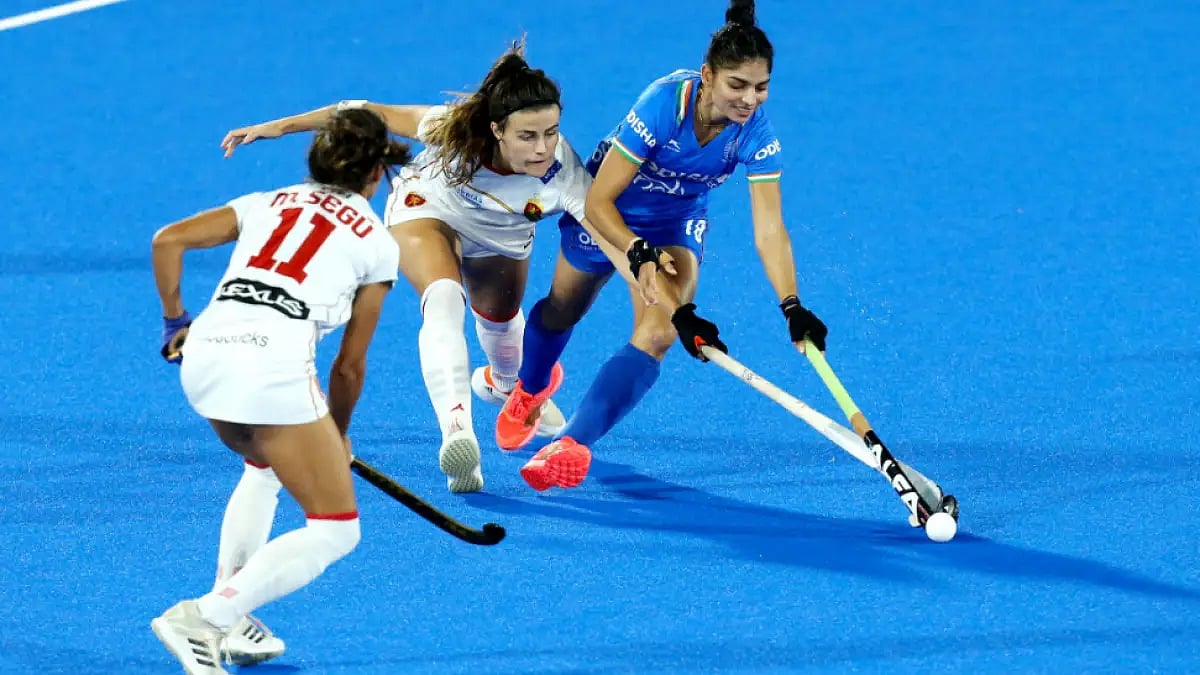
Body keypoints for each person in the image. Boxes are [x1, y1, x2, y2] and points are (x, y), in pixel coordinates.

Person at [221, 42, 589, 494]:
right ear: (496, 129)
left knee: (501, 323)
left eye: (551, 132)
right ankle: (458, 432)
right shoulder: (451, 128)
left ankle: (506, 384)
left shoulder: (565, 174)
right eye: (527, 136)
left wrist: (658, 288)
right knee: (443, 301)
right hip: (428, 208)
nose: (542, 147)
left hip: (501, 237)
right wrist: (280, 126)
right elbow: (362, 112)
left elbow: (610, 236)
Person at [496, 0, 829, 491]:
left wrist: (792, 304)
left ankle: (569, 443)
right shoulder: (663, 103)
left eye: (761, 88)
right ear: (708, 75)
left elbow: (769, 229)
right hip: (610, 207)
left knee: (662, 331)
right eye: (737, 85)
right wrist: (635, 252)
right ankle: (531, 386)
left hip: (676, 221)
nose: (749, 100)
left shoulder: (756, 134)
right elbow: (601, 200)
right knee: (563, 309)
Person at [149, 108, 411, 674]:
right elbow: (348, 367)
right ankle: (204, 616)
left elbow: (167, 241)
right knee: (337, 531)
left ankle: (232, 614)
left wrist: (175, 323)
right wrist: (337, 435)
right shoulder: (379, 243)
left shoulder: (265, 201)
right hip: (270, 369)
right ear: (375, 175)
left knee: (262, 468)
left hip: (205, 357)